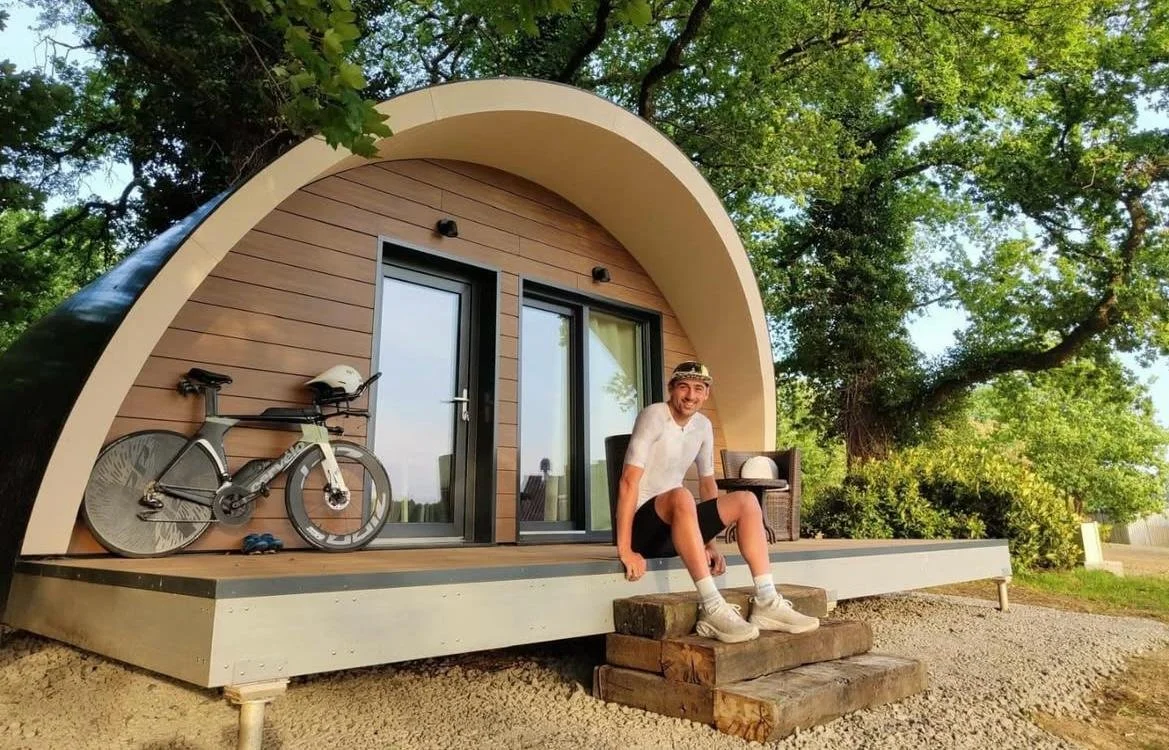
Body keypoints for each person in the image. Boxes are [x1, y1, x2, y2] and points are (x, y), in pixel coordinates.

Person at [615, 361, 820, 643]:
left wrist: (708, 543)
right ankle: (712, 605)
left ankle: (767, 600)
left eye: (699, 388)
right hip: (645, 528)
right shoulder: (654, 416)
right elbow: (628, 481)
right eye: (684, 386)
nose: (690, 395)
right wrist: (625, 549)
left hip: (677, 526)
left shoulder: (703, 426)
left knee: (747, 501)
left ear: (706, 394)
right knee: (681, 495)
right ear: (672, 389)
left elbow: (707, 482)